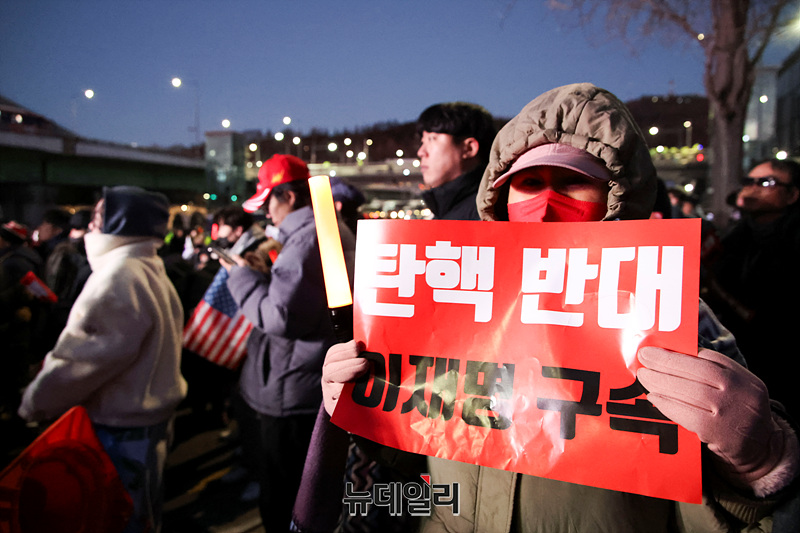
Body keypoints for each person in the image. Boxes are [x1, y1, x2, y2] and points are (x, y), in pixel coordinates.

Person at [322, 83, 800, 532]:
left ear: (618, 198)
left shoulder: (677, 323)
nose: (546, 203)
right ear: (500, 195)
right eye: (528, 183)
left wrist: (757, 467)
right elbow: (422, 474)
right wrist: (367, 412)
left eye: (573, 183)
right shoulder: (453, 307)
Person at [18, 185, 187, 533]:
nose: (92, 226)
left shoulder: (118, 276)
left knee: (114, 517)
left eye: (99, 217)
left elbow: (82, 359)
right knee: (142, 515)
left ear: (122, 223)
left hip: (118, 428)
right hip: (148, 423)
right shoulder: (148, 268)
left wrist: (36, 400)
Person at [222, 154, 356, 530]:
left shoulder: (303, 240)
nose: (267, 213)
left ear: (290, 198)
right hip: (307, 376)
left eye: (268, 202)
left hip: (291, 384)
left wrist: (241, 277)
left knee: (282, 495)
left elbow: (280, 317)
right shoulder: (325, 228)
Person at [706, 158, 800, 419]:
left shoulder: (791, 240)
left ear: (792, 194)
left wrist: (716, 287)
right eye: (748, 181)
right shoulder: (735, 236)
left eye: (766, 182)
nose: (752, 188)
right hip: (740, 362)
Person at [416, 102, 496, 220]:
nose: (421, 152)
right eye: (423, 142)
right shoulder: (444, 210)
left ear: (469, 148)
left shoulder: (486, 214)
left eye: (432, 139)